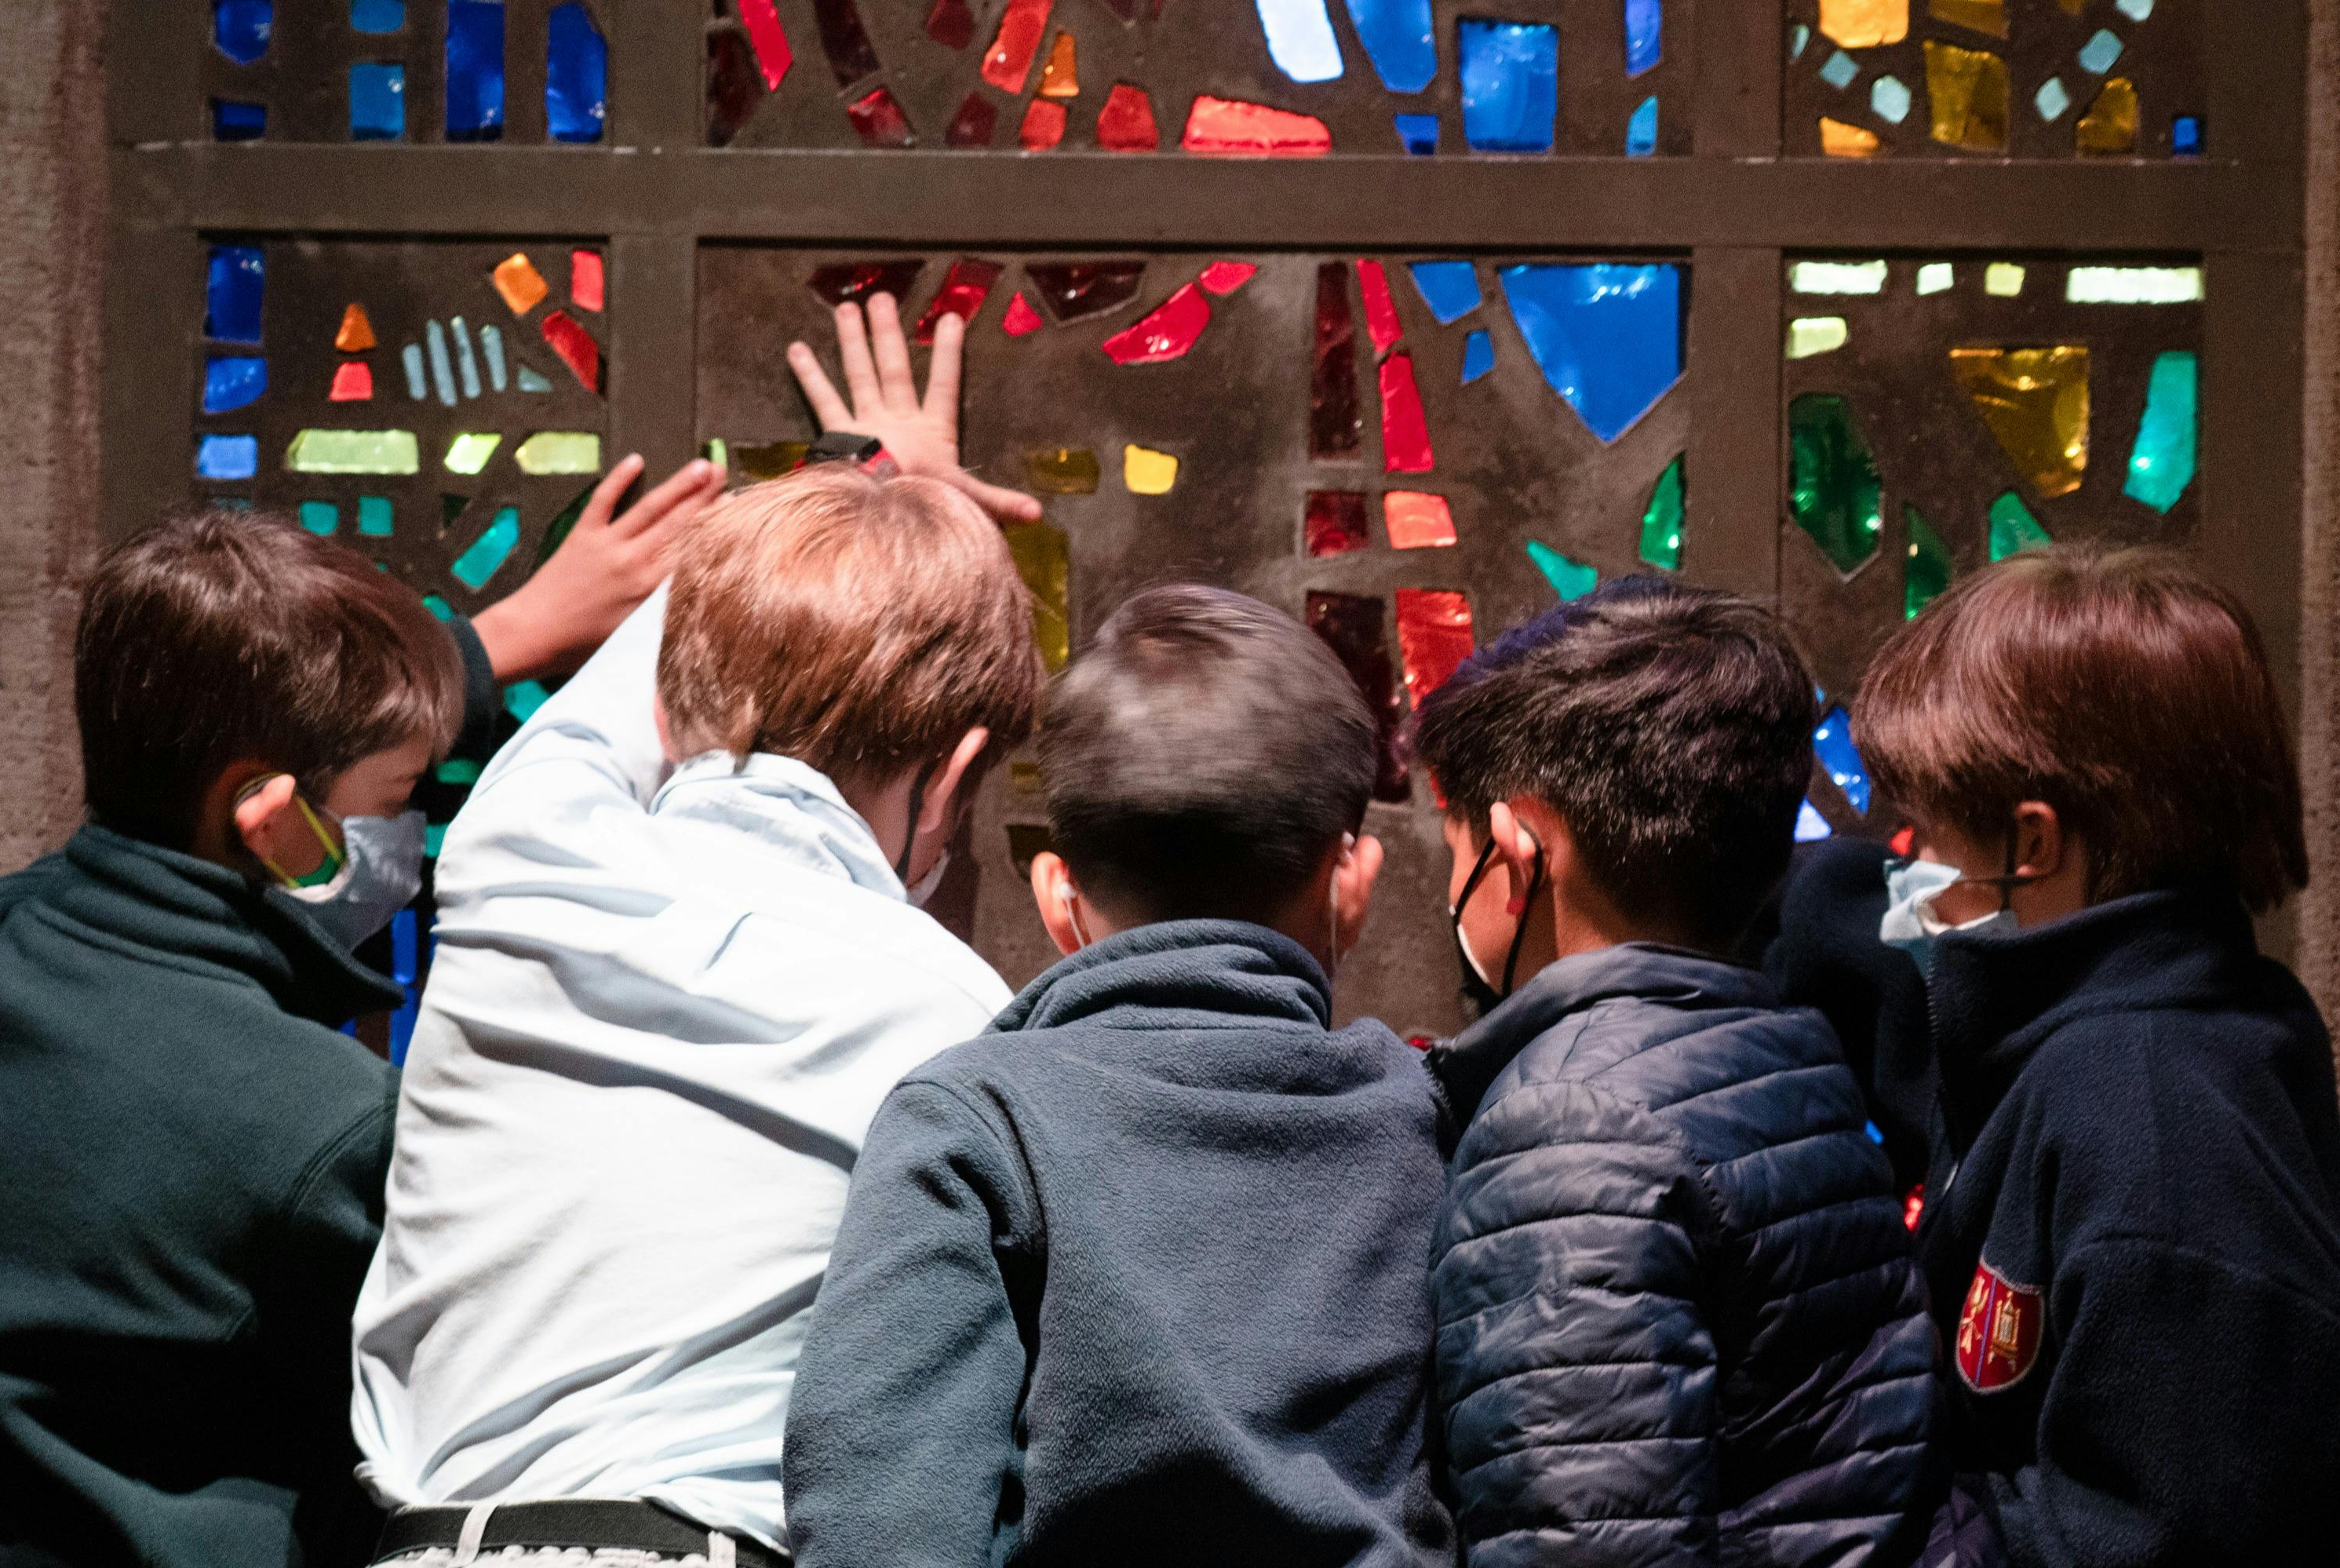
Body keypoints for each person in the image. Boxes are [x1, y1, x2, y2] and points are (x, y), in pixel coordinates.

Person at [349, 297, 1043, 1568]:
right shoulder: (952, 1024)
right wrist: (906, 510)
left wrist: (871, 480)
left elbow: (661, 650)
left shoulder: (519, 850)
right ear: (952, 779)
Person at [0, 460, 716, 1568]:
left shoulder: (8, 933)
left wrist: (503, 637)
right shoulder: (321, 1131)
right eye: (401, 801)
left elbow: (268, 711)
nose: (414, 841)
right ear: (273, 821)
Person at [782, 585, 1456, 1568]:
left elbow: (879, 1524)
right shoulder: (1435, 1115)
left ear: (1060, 898)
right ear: (1349, 885)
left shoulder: (974, 1123)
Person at [1762, 547, 2340, 1568]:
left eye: (1925, 833)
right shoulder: (2088, 994)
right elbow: (1870, 930)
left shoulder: (2159, 1134)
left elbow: (2146, 1537)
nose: (1903, 865)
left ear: (2031, 844)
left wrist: (1837, 1516)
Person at [1414, 578, 1937, 1568]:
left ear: (1519, 849)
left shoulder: (1568, 1128)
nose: (1451, 891)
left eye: (1455, 851)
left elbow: (1585, 1544)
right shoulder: (1790, 1042)